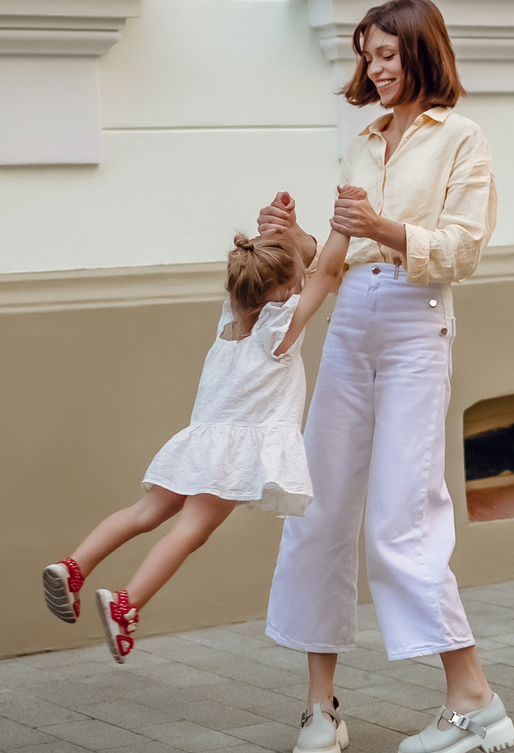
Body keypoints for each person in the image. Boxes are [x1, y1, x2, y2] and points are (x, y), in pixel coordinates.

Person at [255, 0, 514, 753]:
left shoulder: (462, 139)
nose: (374, 67)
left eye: (387, 54)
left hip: (414, 325)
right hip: (351, 325)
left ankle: (473, 700)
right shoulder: (364, 141)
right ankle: (320, 707)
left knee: (402, 515)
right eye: (366, 55)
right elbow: (337, 256)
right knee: (316, 506)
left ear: (421, 52)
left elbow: (463, 249)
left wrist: (385, 231)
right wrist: (292, 256)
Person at [42, 231, 318, 663]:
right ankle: (125, 605)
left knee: (144, 512)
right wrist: (343, 227)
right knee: (190, 531)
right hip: (232, 455)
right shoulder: (279, 333)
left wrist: (287, 239)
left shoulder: (230, 321)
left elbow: (278, 275)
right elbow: (330, 272)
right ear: (282, 293)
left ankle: (73, 567)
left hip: (199, 441)